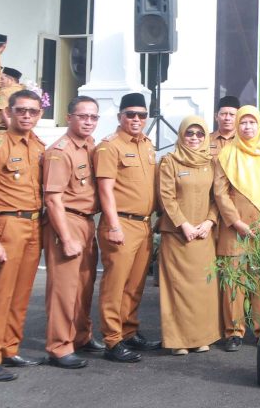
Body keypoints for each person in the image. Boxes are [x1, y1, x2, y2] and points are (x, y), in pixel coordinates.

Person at [0, 89, 45, 382]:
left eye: (32, 111)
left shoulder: (39, 147)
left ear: (39, 114)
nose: (27, 115)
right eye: (21, 110)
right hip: (8, 224)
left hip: (34, 224)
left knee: (21, 293)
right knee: (1, 294)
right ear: (9, 113)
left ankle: (9, 348)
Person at [95, 92, 160, 363]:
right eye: (130, 114)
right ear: (120, 116)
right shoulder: (109, 146)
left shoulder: (147, 144)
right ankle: (112, 339)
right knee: (115, 284)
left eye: (142, 115)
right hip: (120, 223)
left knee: (134, 285)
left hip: (143, 224)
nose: (136, 119)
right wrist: (112, 225)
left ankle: (129, 331)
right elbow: (105, 189)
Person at [214, 105, 260, 351]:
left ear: (259, 125)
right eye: (243, 122)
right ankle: (233, 331)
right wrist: (236, 222)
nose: (247, 127)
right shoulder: (225, 154)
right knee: (234, 281)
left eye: (252, 122)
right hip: (234, 228)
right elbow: (220, 192)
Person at [43, 96, 102, 369]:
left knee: (84, 286)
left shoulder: (90, 146)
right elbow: (53, 199)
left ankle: (81, 336)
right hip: (66, 221)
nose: (88, 121)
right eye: (83, 116)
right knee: (64, 289)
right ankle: (59, 346)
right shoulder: (60, 151)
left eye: (93, 117)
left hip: (87, 221)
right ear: (69, 118)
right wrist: (65, 238)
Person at [156, 116, 221, 355]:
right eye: (189, 133)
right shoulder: (169, 162)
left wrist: (209, 222)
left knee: (202, 289)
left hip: (204, 235)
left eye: (199, 134)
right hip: (178, 236)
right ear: (182, 135)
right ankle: (178, 341)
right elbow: (167, 197)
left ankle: (202, 337)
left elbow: (217, 199)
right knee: (178, 289)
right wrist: (183, 225)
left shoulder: (211, 163)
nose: (194, 138)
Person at [209, 95, 240, 160]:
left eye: (232, 115)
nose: (227, 118)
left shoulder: (243, 140)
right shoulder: (206, 140)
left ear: (238, 117)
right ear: (216, 116)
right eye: (223, 114)